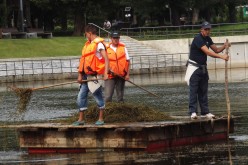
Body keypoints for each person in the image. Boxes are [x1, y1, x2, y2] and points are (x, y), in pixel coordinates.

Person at [185, 21, 230, 120]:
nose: (208, 31)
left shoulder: (208, 39)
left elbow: (216, 50)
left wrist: (224, 46)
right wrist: (222, 57)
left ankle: (205, 112)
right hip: (194, 68)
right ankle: (193, 112)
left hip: (203, 69)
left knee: (203, 91)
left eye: (209, 29)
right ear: (201, 30)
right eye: (206, 29)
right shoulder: (198, 39)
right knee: (194, 91)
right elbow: (208, 52)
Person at [73, 24, 109, 126]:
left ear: (89, 33)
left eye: (86, 34)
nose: (86, 36)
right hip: (85, 75)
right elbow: (82, 61)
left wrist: (105, 73)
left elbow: (106, 59)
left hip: (94, 76)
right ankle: (81, 120)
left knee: (97, 96)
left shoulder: (99, 44)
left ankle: (101, 119)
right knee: (81, 96)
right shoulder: (87, 45)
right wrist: (80, 75)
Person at [105, 31, 130, 102]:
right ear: (111, 38)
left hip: (121, 76)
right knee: (108, 96)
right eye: (114, 38)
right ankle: (107, 110)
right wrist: (106, 72)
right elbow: (103, 62)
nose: (116, 39)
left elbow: (128, 61)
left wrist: (127, 75)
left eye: (117, 38)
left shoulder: (123, 48)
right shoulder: (106, 49)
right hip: (110, 76)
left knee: (120, 97)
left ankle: (121, 111)